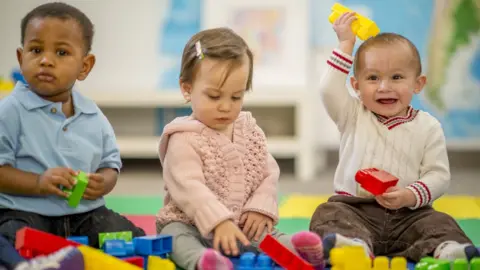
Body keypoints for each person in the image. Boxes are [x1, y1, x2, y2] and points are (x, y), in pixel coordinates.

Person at [296, 12, 479, 265]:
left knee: (440, 222)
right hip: (355, 210)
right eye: (373, 78)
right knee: (327, 213)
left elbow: (438, 176)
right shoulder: (351, 114)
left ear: (418, 84)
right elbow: (328, 89)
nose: (384, 87)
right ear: (356, 86)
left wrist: (409, 195)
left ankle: (447, 249)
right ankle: (354, 247)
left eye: (396, 77)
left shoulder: (428, 126)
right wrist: (346, 44)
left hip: (410, 215)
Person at [155, 27, 323, 270]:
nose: (225, 106)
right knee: (174, 238)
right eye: (214, 96)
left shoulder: (249, 130)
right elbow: (190, 189)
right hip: (189, 224)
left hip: (242, 225)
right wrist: (218, 222)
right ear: (187, 88)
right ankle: (204, 262)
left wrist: (260, 208)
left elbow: (267, 172)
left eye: (236, 97)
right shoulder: (182, 138)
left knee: (267, 239)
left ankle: (302, 253)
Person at [0, 3, 145, 269]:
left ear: (85, 66)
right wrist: (39, 182)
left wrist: (104, 182)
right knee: (8, 236)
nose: (45, 59)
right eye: (35, 50)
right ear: (21, 58)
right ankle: (27, 265)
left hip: (84, 215)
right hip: (26, 214)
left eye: (61, 52)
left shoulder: (93, 115)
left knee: (129, 235)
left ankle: (67, 258)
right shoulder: (10, 111)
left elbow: (110, 164)